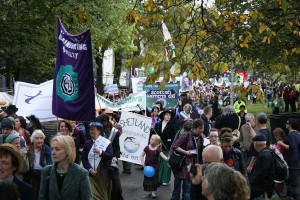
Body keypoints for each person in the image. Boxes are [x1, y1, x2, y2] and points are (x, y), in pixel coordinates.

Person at [39, 135, 92, 200]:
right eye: (52, 149)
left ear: (68, 151)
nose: (53, 152)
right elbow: (42, 197)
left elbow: (87, 198)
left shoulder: (81, 173)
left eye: (57, 149)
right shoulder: (46, 171)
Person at [172, 119, 204, 200]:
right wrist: (185, 152)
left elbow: (200, 151)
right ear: (195, 128)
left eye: (203, 128)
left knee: (187, 187)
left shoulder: (201, 138)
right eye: (200, 128)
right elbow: (175, 146)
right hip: (181, 163)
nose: (202, 130)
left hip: (191, 165)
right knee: (177, 184)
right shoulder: (186, 135)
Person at [82, 122, 113, 200]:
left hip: (102, 173)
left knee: (102, 195)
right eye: (90, 129)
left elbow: (110, 155)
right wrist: (90, 169)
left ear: (99, 131)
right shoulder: (87, 143)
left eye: (93, 129)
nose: (91, 131)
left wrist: (100, 152)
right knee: (92, 194)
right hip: (91, 173)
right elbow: (84, 159)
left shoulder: (106, 142)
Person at [97, 114, 124, 200]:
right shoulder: (97, 131)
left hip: (110, 159)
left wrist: (115, 156)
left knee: (112, 183)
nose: (104, 124)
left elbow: (117, 147)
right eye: (102, 122)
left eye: (106, 122)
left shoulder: (114, 131)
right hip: (98, 159)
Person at [24, 130, 52, 200]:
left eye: (41, 138)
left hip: (42, 176)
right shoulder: (27, 150)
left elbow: (50, 165)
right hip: (30, 176)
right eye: (37, 138)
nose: (40, 140)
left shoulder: (47, 150)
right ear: (32, 140)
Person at [277, 118, 300, 199]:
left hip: (292, 160)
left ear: (290, 125)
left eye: (287, 123)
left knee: (293, 180)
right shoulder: (297, 133)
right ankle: (290, 195)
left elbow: (292, 147)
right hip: (294, 160)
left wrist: (281, 143)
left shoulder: (292, 134)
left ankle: (294, 196)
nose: (285, 124)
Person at [140, 134, 168, 199]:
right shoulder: (147, 147)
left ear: (156, 142)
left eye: (152, 139)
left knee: (154, 179)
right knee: (148, 179)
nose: (150, 140)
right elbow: (141, 155)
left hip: (155, 167)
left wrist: (167, 158)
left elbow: (162, 155)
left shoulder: (158, 149)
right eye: (150, 139)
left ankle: (153, 191)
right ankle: (150, 190)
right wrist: (142, 163)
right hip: (147, 167)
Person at [249, 134, 276, 199]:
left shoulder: (264, 155)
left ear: (256, 143)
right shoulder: (266, 152)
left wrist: (251, 182)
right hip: (263, 187)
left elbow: (262, 173)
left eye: (254, 142)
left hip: (261, 188)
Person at [155, 109, 176, 186]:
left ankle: (165, 179)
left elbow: (174, 137)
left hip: (167, 147)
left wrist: (169, 143)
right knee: (159, 163)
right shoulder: (158, 124)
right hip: (158, 146)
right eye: (167, 115)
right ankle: (159, 178)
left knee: (166, 163)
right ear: (163, 116)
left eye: (169, 115)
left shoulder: (171, 125)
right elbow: (155, 134)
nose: (168, 116)